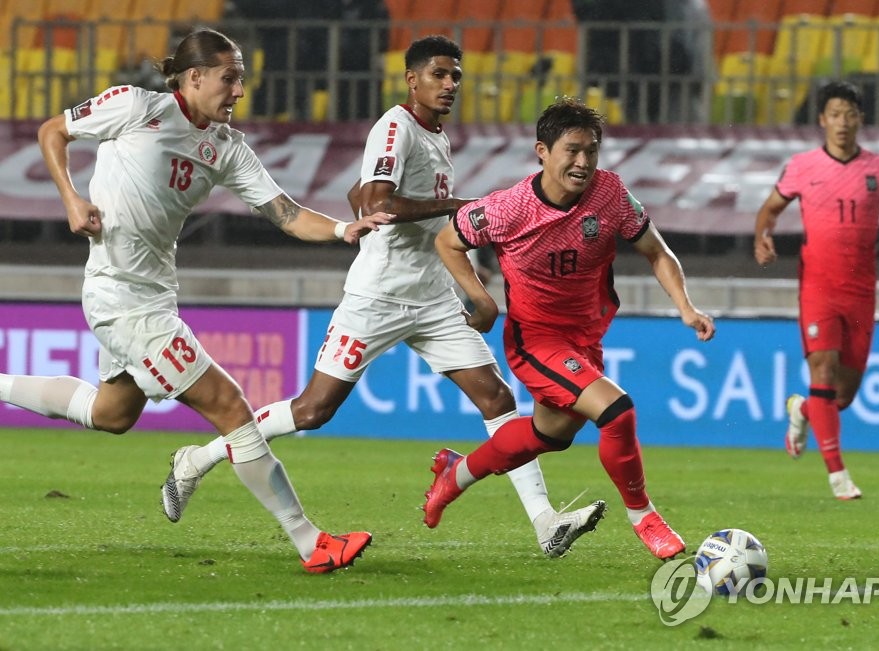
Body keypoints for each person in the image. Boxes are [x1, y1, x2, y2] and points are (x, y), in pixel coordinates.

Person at [164, 35, 607, 558]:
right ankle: (197, 460)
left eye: (456, 76)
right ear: (412, 79)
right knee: (312, 411)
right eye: (439, 74)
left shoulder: (435, 136)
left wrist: (449, 230)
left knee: (498, 398)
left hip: (432, 295)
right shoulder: (395, 125)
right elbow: (378, 201)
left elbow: (362, 193)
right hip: (377, 295)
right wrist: (462, 206)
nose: (449, 85)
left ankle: (545, 522)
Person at [0, 28, 393, 574]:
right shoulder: (136, 106)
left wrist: (343, 231)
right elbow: (52, 131)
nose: (237, 90)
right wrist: (72, 198)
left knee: (111, 413)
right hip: (120, 298)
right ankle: (312, 543)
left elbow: (285, 212)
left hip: (155, 294)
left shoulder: (229, 149)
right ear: (195, 76)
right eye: (229, 77)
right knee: (232, 407)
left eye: (241, 79)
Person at [426, 97, 716, 561]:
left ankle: (455, 475)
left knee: (549, 436)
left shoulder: (611, 194)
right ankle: (644, 517)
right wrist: (481, 298)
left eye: (592, 152)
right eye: (572, 150)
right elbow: (447, 240)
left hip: (585, 338)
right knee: (617, 412)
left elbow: (657, 252)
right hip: (535, 340)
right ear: (542, 150)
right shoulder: (508, 209)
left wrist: (686, 306)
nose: (583, 162)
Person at [753, 80, 879, 500]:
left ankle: (802, 409)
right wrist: (763, 237)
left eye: (850, 114)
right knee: (821, 371)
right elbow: (769, 210)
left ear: (860, 119)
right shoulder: (802, 166)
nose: (842, 122)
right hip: (818, 287)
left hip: (861, 291)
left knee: (842, 396)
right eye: (835, 114)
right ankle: (838, 475)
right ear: (822, 119)